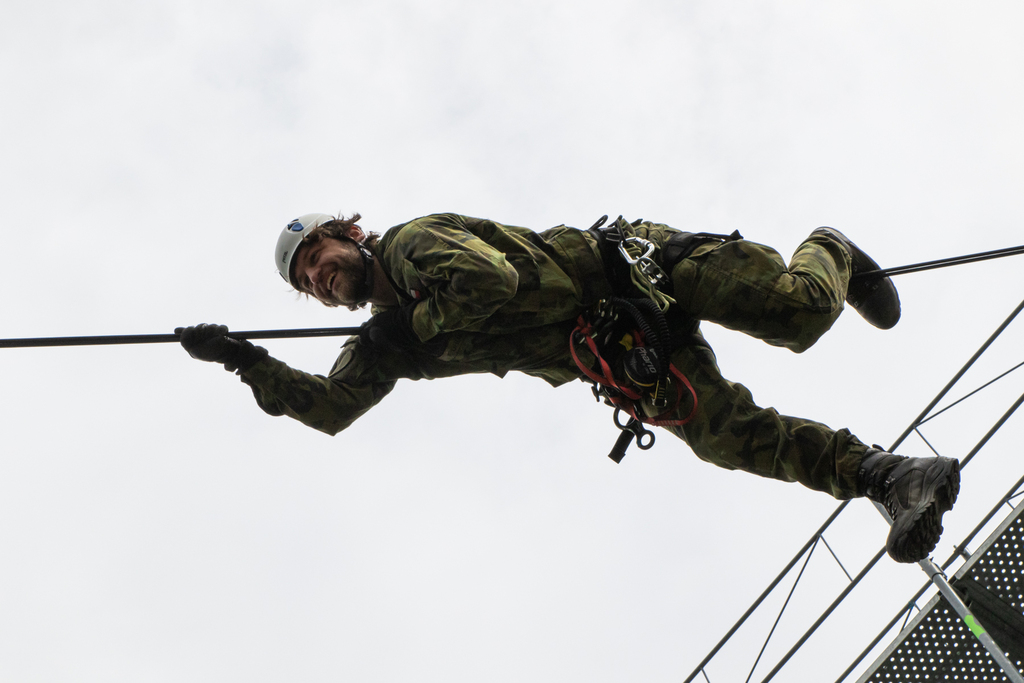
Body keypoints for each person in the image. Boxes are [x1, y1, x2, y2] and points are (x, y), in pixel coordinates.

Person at [177, 212, 960, 563]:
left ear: (350, 234)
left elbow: (501, 280)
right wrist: (245, 360)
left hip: (639, 270)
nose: (322, 276)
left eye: (320, 253)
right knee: (727, 437)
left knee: (796, 313)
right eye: (310, 282)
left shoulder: (413, 250)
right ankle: (891, 476)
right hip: (623, 345)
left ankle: (831, 247)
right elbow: (333, 409)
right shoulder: (384, 341)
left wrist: (408, 330)